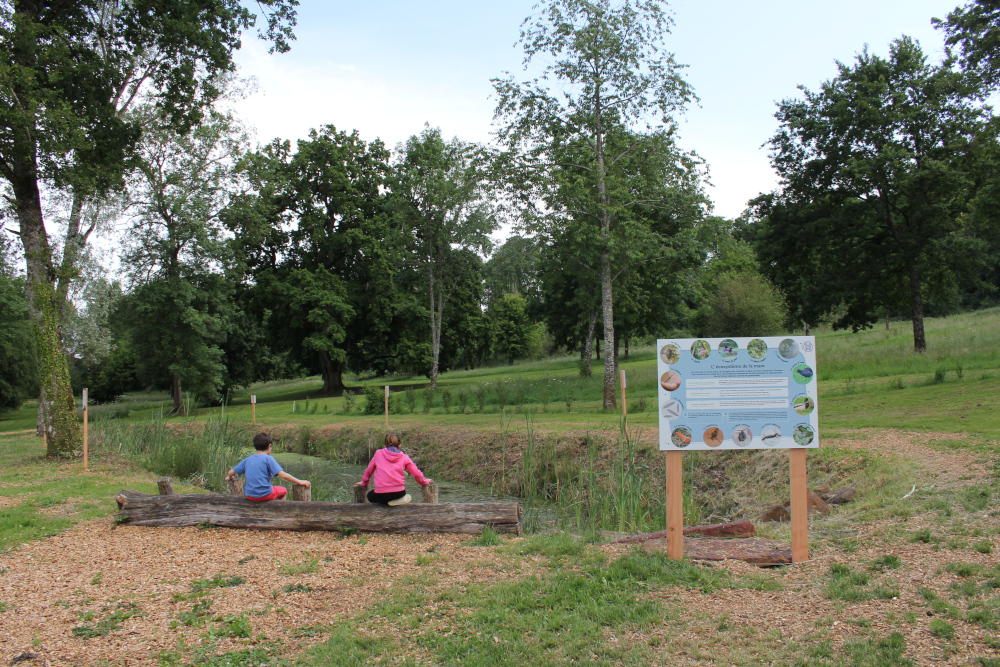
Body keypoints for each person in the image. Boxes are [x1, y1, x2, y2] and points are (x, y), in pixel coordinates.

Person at [226, 433, 310, 501]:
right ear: (269, 446)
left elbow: (231, 472)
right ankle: (280, 512)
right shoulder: (268, 459)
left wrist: (230, 477)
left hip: (250, 495)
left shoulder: (248, 459)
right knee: (283, 491)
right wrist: (299, 481)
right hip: (265, 494)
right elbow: (282, 475)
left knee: (272, 491)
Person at [356, 433, 432, 506]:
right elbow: (416, 473)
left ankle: (387, 502)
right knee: (399, 494)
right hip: (399, 493)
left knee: (370, 495)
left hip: (381, 494)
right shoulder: (404, 457)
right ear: (399, 446)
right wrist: (424, 481)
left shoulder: (378, 453)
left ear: (384, 446)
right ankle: (397, 500)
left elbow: (369, 471)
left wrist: (364, 482)